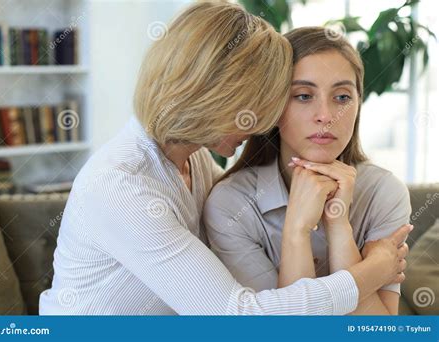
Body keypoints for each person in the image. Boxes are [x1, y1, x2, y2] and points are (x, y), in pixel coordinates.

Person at [40, 4, 410, 315]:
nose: (259, 119)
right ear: (206, 95)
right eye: (250, 102)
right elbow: (238, 317)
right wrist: (374, 270)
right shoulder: (122, 186)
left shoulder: (194, 159)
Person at [203, 26, 412, 315]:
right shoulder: (231, 204)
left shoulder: (383, 192)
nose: (326, 116)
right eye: (303, 96)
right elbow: (283, 331)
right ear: (272, 107)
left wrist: (339, 226)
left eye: (342, 97)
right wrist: (297, 231)